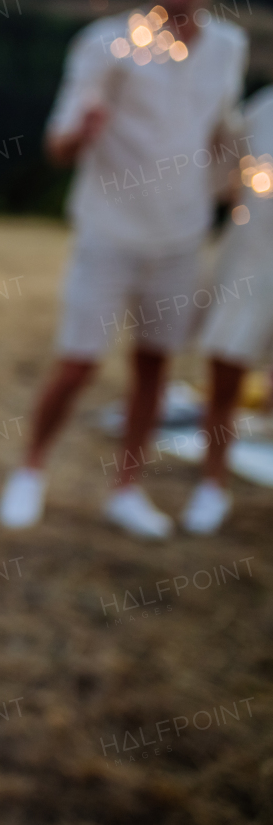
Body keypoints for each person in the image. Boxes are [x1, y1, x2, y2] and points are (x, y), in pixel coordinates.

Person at [0, 0, 247, 539]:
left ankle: (126, 490)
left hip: (182, 236)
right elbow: (57, 145)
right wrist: (81, 131)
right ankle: (31, 469)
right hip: (108, 232)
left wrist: (236, 187)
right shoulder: (102, 43)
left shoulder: (230, 47)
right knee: (79, 361)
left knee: (155, 366)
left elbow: (220, 130)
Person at [182, 84, 273, 534]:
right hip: (252, 262)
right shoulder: (263, 110)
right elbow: (222, 183)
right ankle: (212, 484)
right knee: (224, 377)